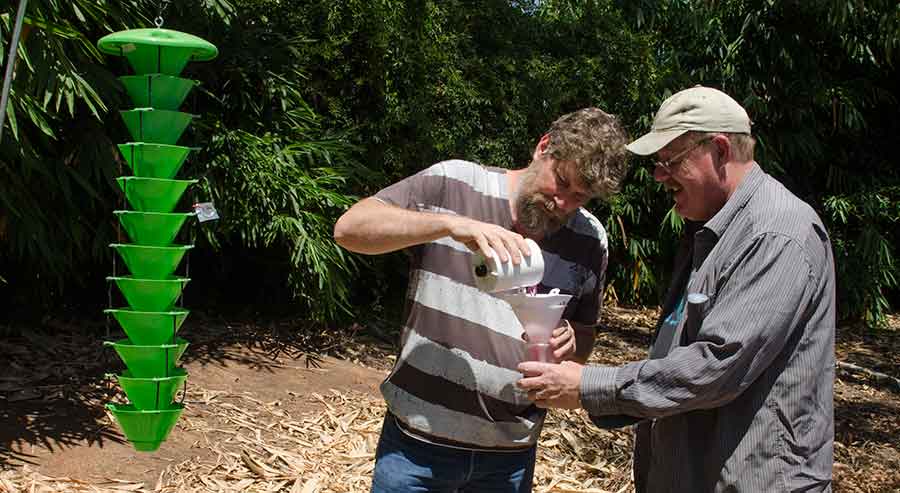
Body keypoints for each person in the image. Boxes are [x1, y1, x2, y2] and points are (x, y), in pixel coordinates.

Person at [517, 86, 836, 492]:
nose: (658, 175)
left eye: (670, 161)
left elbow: (717, 365)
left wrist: (586, 386)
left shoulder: (775, 234)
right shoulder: (712, 229)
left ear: (720, 150)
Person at [333, 107, 630, 492]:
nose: (563, 204)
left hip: (509, 459)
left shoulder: (591, 239)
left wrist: (572, 342)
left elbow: (584, 337)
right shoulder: (455, 183)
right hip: (417, 449)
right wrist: (449, 225)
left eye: (579, 196)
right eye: (561, 183)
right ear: (543, 148)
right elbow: (350, 229)